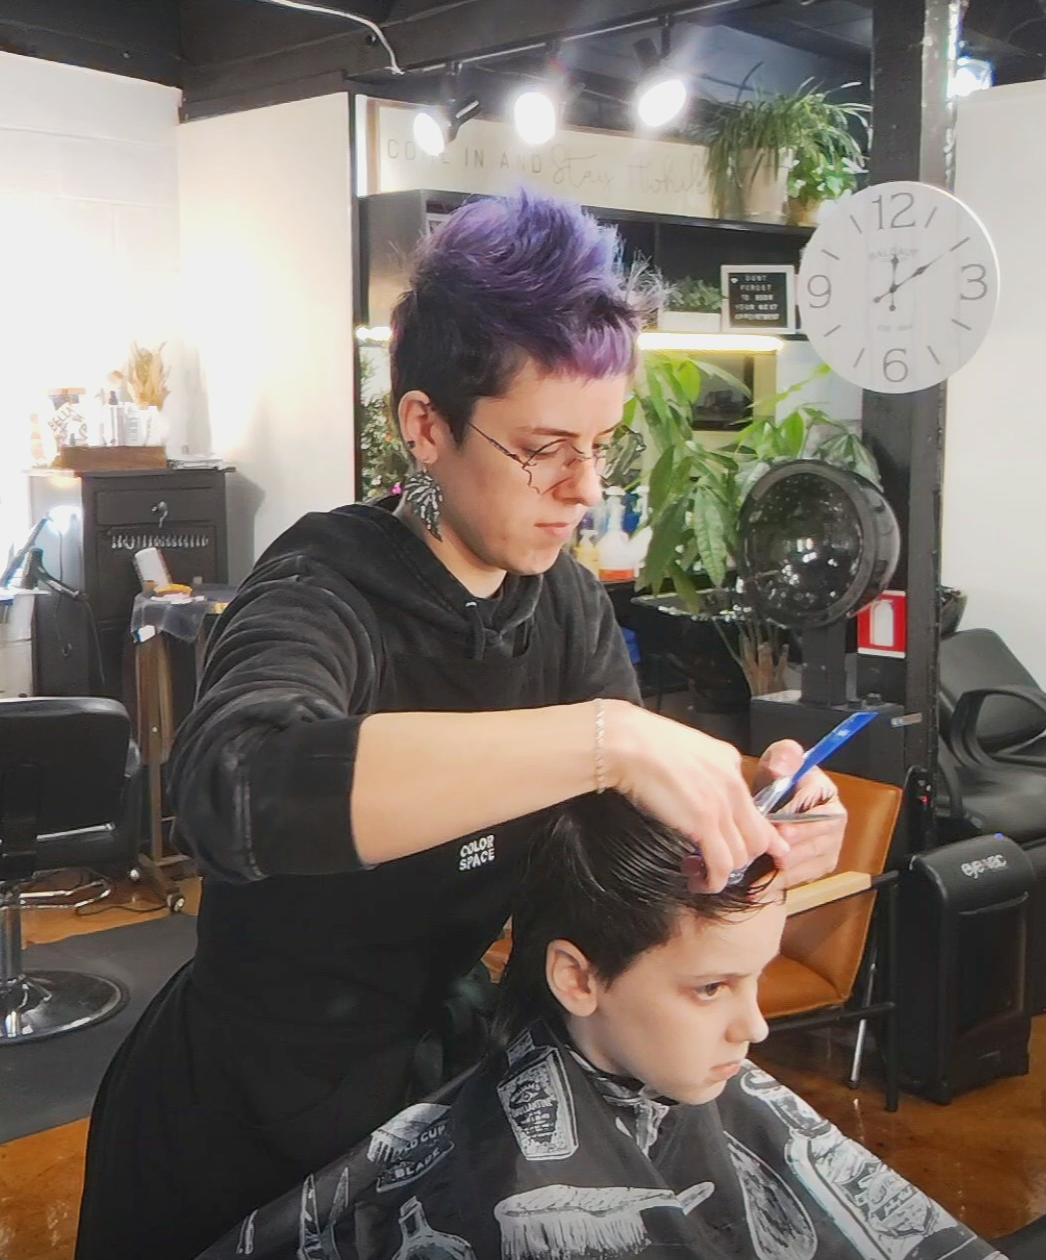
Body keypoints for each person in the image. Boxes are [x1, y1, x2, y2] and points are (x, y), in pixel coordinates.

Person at [75, 190, 846, 1260]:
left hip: (447, 1084)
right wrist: (605, 740)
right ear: (425, 427)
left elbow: (603, 845)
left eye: (601, 446)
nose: (584, 489)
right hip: (248, 1116)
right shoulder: (322, 586)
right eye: (543, 448)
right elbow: (237, 787)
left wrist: (747, 811)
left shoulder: (562, 602)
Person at [194, 792, 1003, 1260]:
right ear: (578, 978)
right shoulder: (505, 1190)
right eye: (712, 987)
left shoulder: (700, 1078)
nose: (755, 1026)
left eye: (755, 975)